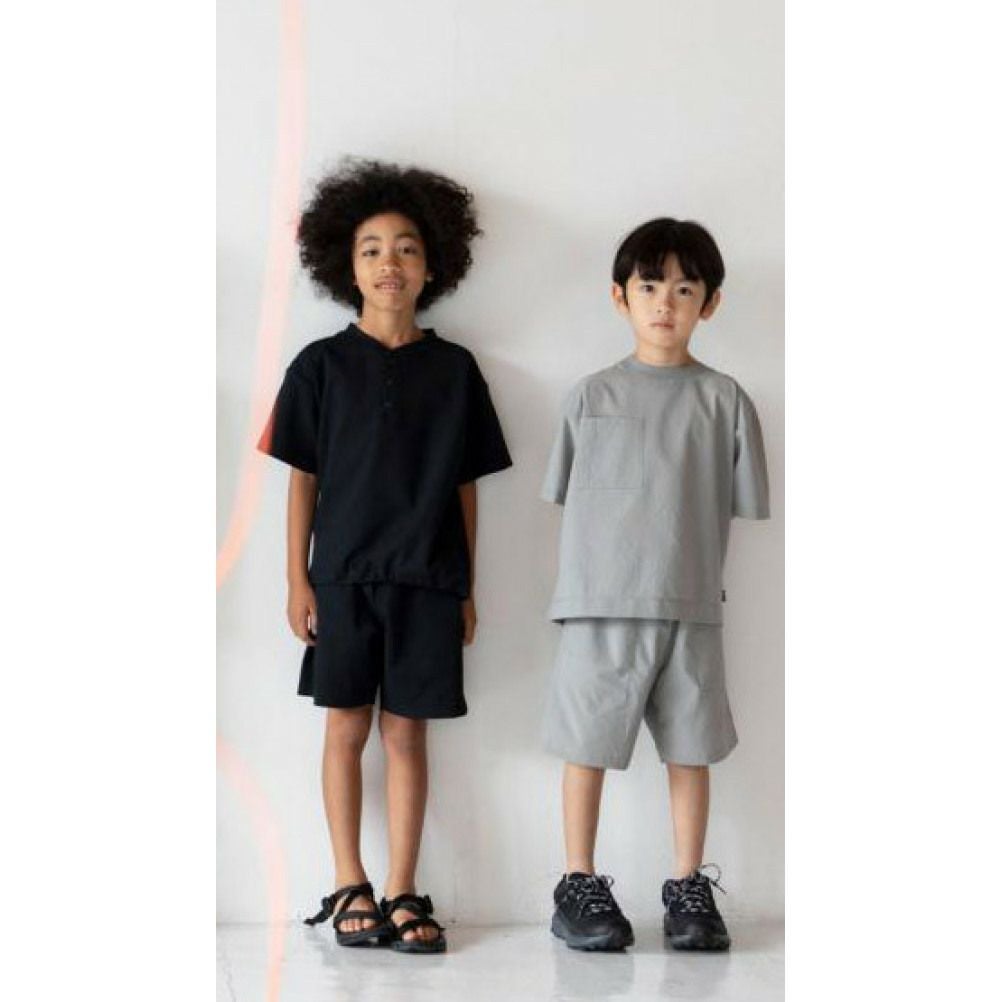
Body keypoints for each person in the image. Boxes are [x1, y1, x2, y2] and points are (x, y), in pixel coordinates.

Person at [258, 158, 512, 953]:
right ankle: (349, 881)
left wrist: (466, 586)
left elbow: (466, 487)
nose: (389, 263)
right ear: (347, 264)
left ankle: (402, 886)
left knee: (407, 736)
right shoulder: (319, 367)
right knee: (345, 729)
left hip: (429, 580)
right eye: (371, 249)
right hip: (341, 579)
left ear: (432, 265)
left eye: (406, 248)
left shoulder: (456, 371)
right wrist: (298, 579)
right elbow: (303, 479)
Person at [540, 217, 770, 952]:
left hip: (691, 604)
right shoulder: (589, 396)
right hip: (597, 603)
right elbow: (564, 495)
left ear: (711, 303)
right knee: (586, 746)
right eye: (648, 286)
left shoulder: (725, 400)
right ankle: (577, 880)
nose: (665, 302)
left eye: (684, 288)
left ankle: (687, 884)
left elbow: (741, 501)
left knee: (690, 750)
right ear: (620, 296)